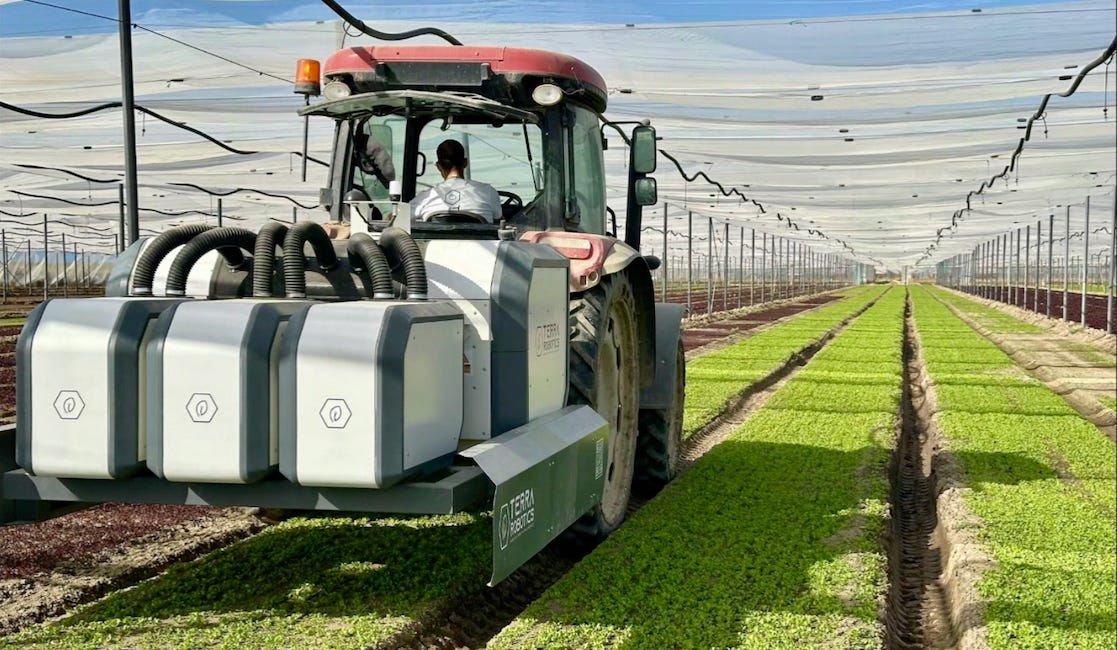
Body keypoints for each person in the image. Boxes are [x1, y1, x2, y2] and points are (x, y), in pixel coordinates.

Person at [410, 139, 502, 222]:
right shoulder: (488, 191)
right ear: (465, 163)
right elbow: (498, 217)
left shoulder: (425, 197)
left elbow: (402, 218)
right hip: (479, 241)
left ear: (438, 166)